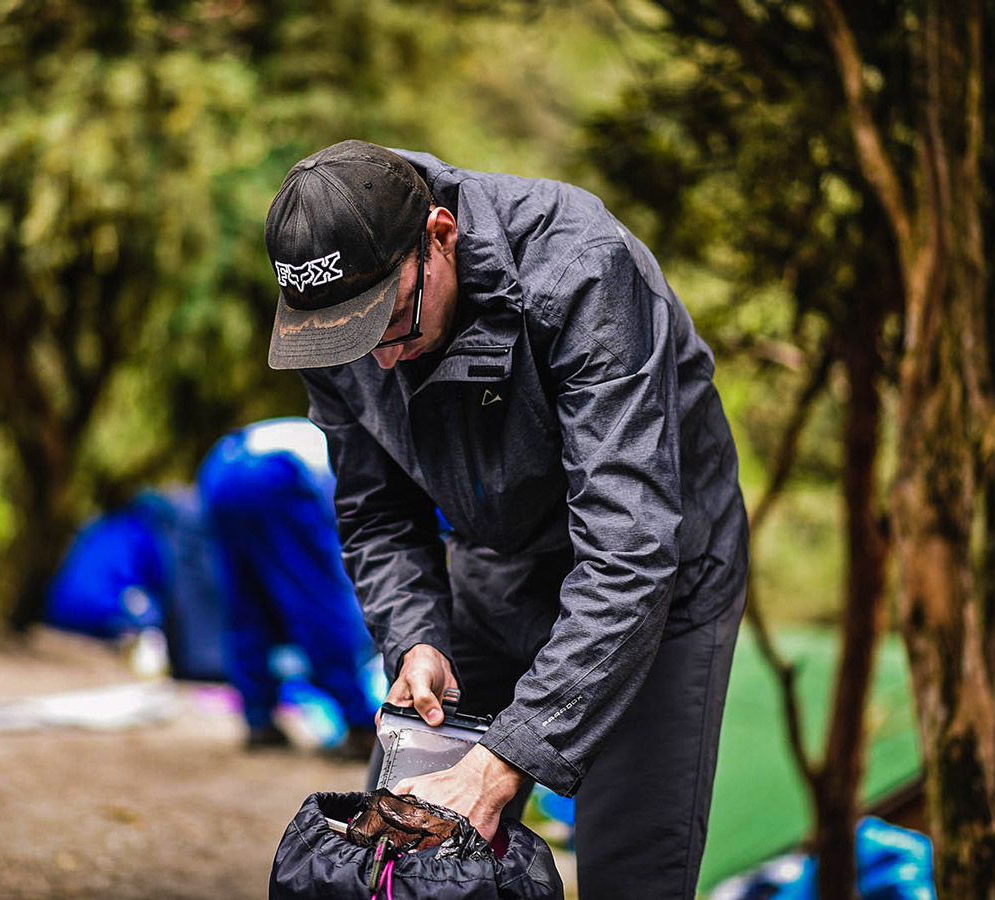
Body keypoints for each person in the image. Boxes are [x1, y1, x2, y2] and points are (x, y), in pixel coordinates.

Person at [263, 140, 749, 898]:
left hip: (662, 577)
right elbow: (376, 508)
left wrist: (509, 757)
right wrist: (416, 634)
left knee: (632, 873)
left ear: (441, 235)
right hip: (495, 560)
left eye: (390, 323)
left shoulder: (583, 269)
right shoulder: (340, 322)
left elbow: (628, 551)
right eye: (350, 343)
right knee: (400, 854)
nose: (380, 362)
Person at [197, 416, 379, 758]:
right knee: (316, 603)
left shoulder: (315, 433)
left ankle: (259, 720)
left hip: (218, 466)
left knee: (246, 602)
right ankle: (359, 725)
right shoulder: (362, 456)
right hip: (272, 475)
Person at [45, 487, 229, 682]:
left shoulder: (109, 527)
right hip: (107, 608)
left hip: (62, 609)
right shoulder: (147, 535)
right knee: (147, 618)